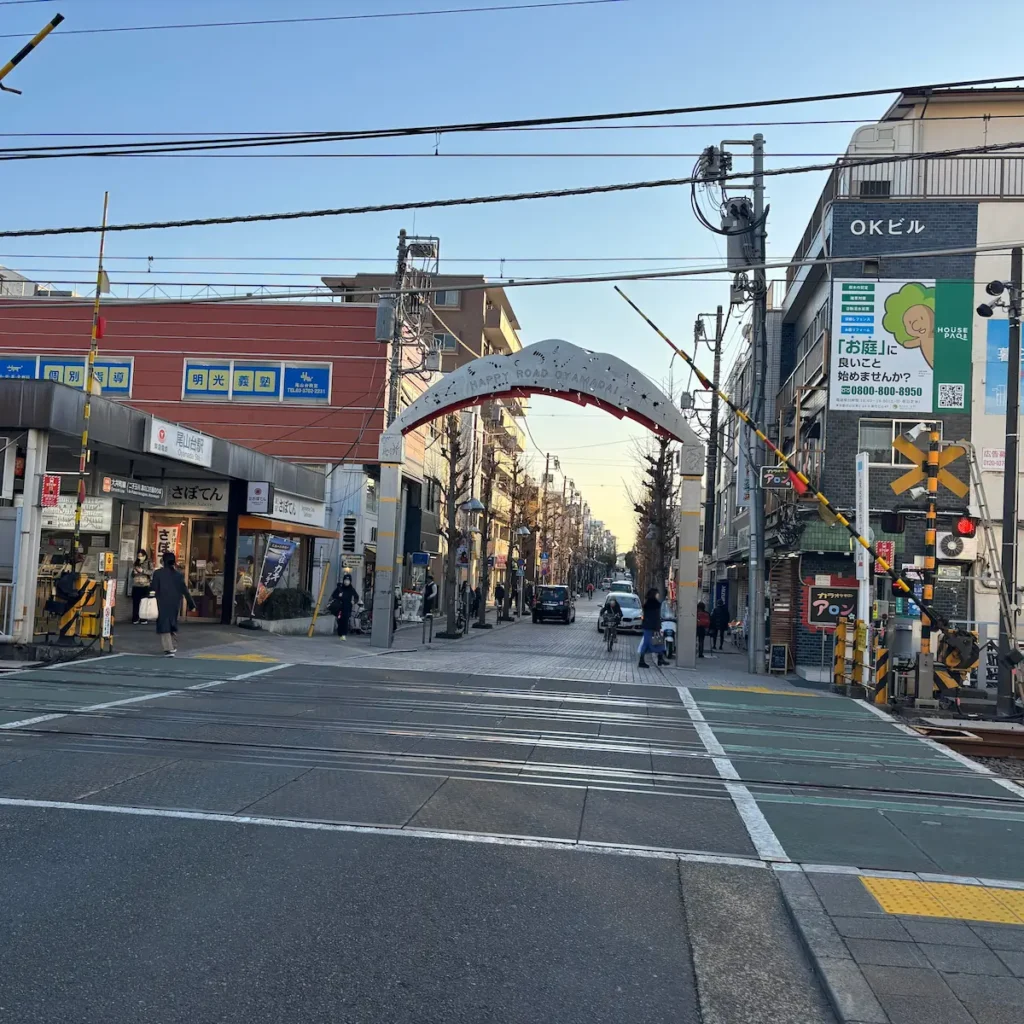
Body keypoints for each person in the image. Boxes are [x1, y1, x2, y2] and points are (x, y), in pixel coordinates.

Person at [152, 550, 195, 657]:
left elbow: (153, 588)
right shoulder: (178, 575)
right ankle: (173, 645)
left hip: (161, 602)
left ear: (163, 561)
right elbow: (185, 590)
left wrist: (149, 597)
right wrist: (191, 604)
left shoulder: (158, 573)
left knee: (163, 625)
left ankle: (169, 648)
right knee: (172, 623)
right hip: (175, 602)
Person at [638, 587, 668, 669]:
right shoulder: (655, 604)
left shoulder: (648, 604)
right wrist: (657, 626)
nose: (658, 595)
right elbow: (655, 617)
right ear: (654, 594)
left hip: (648, 626)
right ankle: (642, 660)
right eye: (657, 593)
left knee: (658, 642)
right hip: (651, 626)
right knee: (650, 643)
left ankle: (660, 658)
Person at [329, 572, 360, 640]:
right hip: (339, 608)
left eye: (348, 581)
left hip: (347, 607)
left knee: (345, 620)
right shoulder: (340, 588)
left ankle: (343, 634)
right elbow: (333, 595)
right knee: (340, 620)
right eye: (345, 580)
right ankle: (340, 633)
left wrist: (353, 601)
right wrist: (338, 596)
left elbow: (356, 597)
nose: (346, 582)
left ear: (350, 581)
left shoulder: (351, 589)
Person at [129, 549, 152, 625]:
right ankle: (135, 618)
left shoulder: (149, 562)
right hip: (136, 585)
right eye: (138, 556)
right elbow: (132, 575)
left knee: (144, 603)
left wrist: (142, 571)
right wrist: (134, 573)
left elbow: (152, 572)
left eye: (141, 556)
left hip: (145, 585)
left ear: (145, 556)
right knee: (135, 603)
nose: (140, 557)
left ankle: (143, 618)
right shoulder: (136, 563)